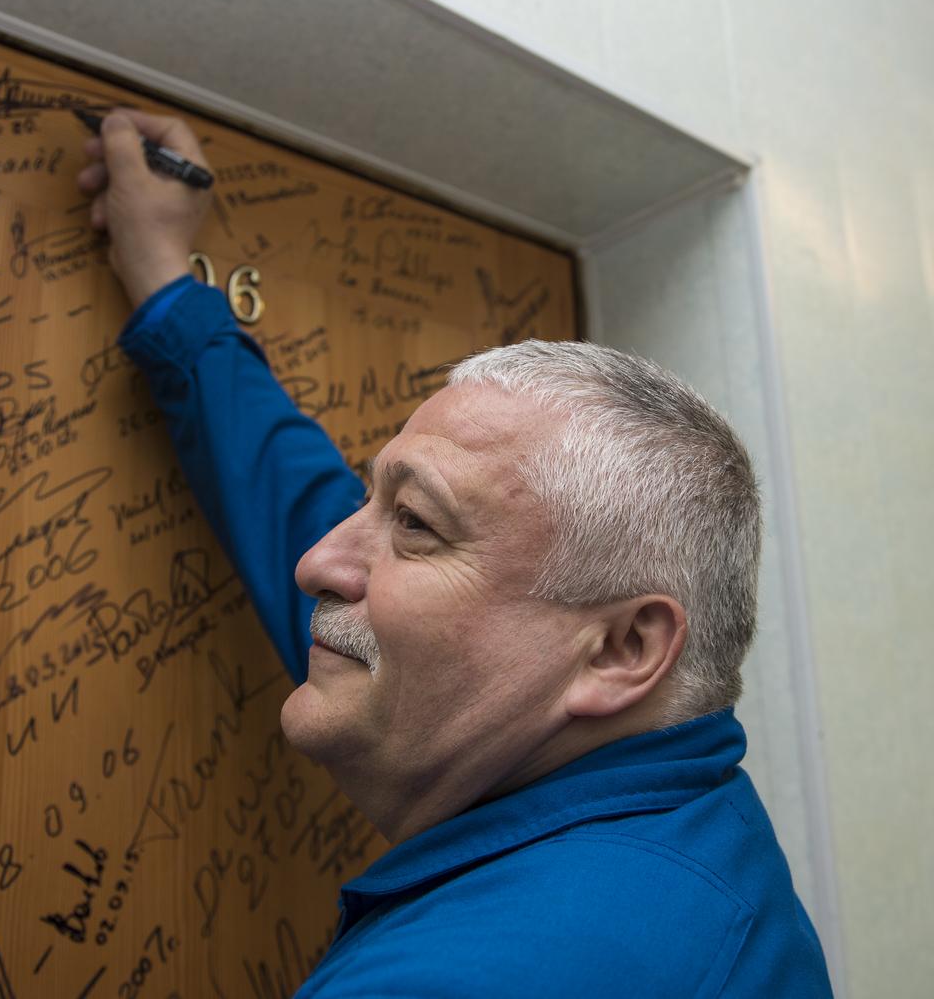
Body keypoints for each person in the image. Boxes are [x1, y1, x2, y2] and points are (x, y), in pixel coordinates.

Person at [77, 111, 834, 996]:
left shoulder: (489, 971)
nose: (320, 560)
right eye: (376, 501)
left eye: (417, 526)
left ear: (621, 649)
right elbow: (342, 551)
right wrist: (168, 283)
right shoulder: (657, 807)